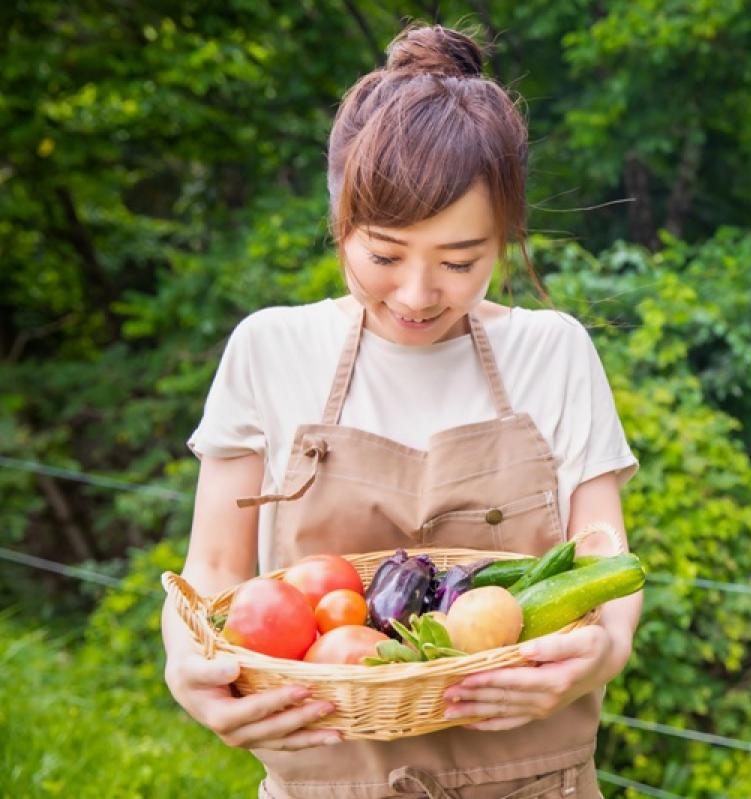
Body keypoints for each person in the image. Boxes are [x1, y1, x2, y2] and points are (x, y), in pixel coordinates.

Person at [161, 23, 641, 799]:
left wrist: (607, 650)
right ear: (339, 219)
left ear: (506, 236)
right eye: (383, 255)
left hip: (535, 779)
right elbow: (213, 572)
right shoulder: (269, 348)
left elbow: (603, 558)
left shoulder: (554, 352)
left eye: (461, 261)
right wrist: (187, 669)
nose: (418, 295)